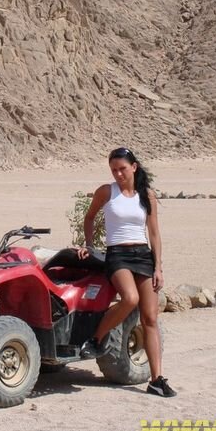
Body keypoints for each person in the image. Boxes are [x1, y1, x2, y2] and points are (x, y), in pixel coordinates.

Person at [77, 147, 177, 398]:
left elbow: (154, 233)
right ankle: (96, 339)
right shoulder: (106, 192)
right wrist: (89, 245)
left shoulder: (147, 195)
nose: (118, 174)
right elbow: (89, 218)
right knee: (130, 299)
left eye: (122, 168)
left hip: (143, 255)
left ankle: (156, 380)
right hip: (117, 255)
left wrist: (158, 267)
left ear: (134, 167)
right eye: (114, 170)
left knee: (150, 318)